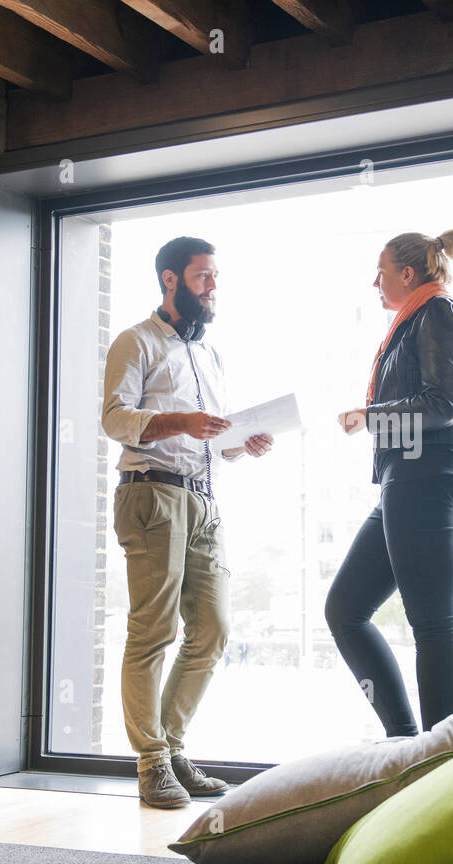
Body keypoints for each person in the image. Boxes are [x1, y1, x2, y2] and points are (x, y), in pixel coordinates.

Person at [102, 236, 274, 809]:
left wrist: (238, 445)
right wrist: (179, 420)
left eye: (216, 277)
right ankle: (150, 762)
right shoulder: (137, 341)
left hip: (204, 498)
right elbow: (115, 418)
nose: (214, 287)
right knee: (153, 631)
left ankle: (172, 748)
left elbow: (210, 441)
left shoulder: (210, 355)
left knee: (214, 628)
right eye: (204, 277)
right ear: (171, 280)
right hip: (151, 495)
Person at [326, 229, 453, 737]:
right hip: (411, 475)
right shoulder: (415, 318)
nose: (374, 281)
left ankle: (439, 763)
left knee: (433, 624)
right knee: (345, 610)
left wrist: (370, 415)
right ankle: (404, 742)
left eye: (381, 271)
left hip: (427, 471)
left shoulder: (437, 311)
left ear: (408, 273)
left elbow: (443, 404)